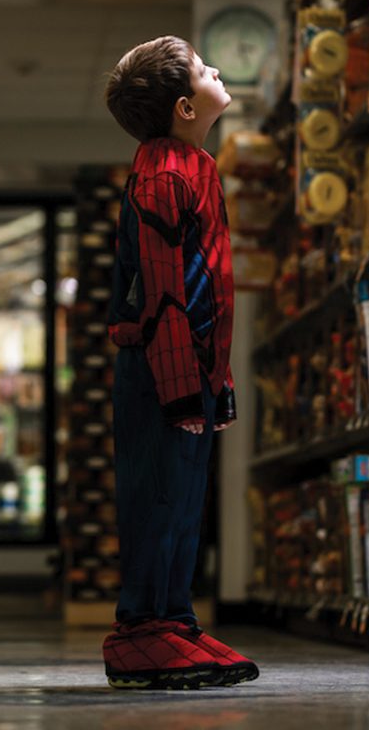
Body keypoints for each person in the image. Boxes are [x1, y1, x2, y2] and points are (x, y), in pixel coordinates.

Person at [99, 35, 259, 690]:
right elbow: (165, 289)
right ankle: (141, 631)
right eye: (202, 68)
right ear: (186, 107)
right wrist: (180, 390)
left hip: (184, 368)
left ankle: (172, 623)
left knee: (182, 502)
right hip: (162, 373)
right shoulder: (167, 171)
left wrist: (213, 381)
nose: (216, 70)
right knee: (158, 499)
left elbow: (198, 287)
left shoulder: (187, 163)